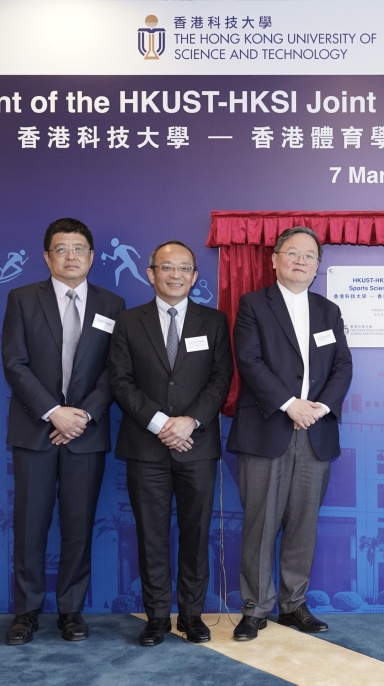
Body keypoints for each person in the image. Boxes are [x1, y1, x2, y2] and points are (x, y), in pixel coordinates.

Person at [1, 218, 125, 645]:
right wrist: (54, 412)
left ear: (92, 256)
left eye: (79, 249)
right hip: (35, 431)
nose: (71, 256)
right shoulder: (22, 299)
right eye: (61, 249)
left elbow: (116, 370)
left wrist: (82, 416)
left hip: (85, 434)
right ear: (47, 256)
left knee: (79, 526)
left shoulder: (113, 304)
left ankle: (71, 610)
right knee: (29, 526)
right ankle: (26, 612)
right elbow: (14, 363)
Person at [226, 226, 353, 641]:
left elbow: (342, 366)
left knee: (303, 524)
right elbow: (249, 360)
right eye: (292, 253)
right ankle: (255, 609)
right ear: (274, 259)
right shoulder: (253, 304)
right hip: (268, 428)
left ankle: (293, 604)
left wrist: (320, 408)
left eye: (309, 255)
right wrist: (289, 404)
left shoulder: (328, 310)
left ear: (318, 266)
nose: (301, 261)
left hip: (315, 430)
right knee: (260, 525)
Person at [109, 240, 233, 647]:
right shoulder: (128, 321)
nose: (175, 275)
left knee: (196, 535)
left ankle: (192, 616)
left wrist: (190, 422)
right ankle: (157, 617)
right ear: (151, 273)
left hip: (197, 446)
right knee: (151, 535)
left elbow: (221, 379)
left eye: (184, 268)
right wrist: (162, 423)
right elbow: (120, 381)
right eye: (166, 267)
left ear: (195, 276)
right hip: (146, 447)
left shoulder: (214, 321)